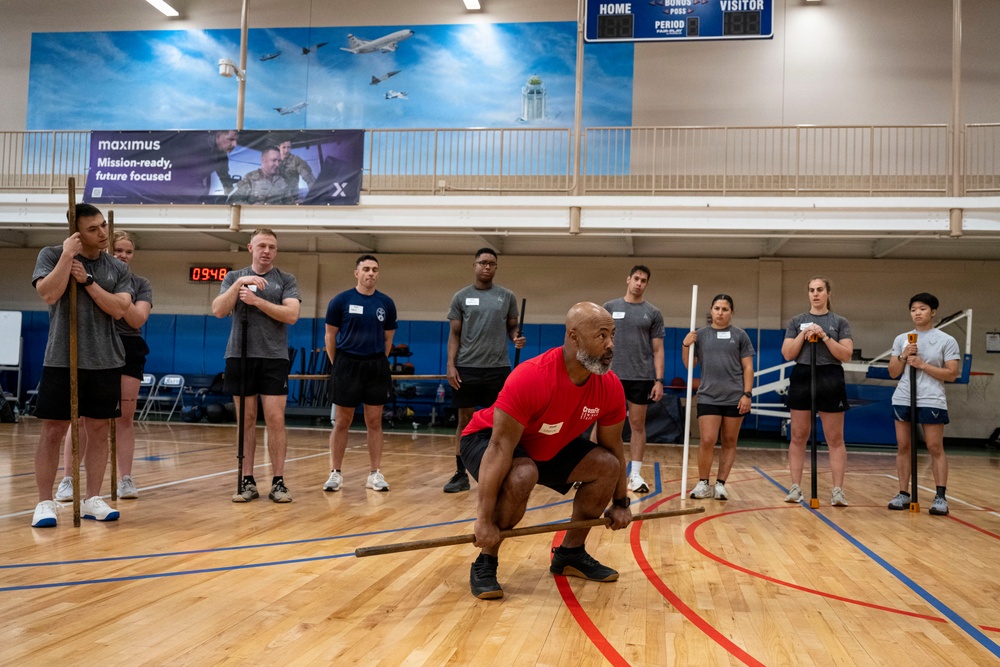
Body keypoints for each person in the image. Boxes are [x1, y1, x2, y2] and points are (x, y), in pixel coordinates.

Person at [460, 302, 632, 600]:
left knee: (606, 465)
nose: (610, 345)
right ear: (573, 336)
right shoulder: (533, 376)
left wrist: (621, 501)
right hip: (487, 439)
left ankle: (571, 554)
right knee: (522, 474)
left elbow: (613, 446)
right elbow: (500, 447)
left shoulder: (610, 386)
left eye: (612, 335)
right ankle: (486, 560)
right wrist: (483, 521)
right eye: (601, 336)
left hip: (548, 445)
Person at [30, 203, 132, 527]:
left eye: (103, 226)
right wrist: (66, 258)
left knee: (99, 430)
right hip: (62, 357)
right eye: (93, 229)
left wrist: (88, 280)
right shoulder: (50, 255)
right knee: (53, 430)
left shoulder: (116, 267)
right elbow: (49, 293)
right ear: (76, 232)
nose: (103, 233)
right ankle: (45, 502)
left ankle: (92, 498)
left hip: (105, 360)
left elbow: (119, 309)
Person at [54, 230, 153, 502]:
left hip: (127, 346)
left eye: (128, 251)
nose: (122, 255)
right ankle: (68, 479)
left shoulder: (140, 283)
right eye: (117, 250)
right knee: (83, 418)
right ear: (108, 250)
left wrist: (117, 301)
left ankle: (125, 479)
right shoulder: (84, 274)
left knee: (124, 418)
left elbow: (135, 319)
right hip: (93, 344)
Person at [212, 228, 300, 503]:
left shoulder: (285, 279)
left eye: (272, 247)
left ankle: (278, 482)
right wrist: (239, 287)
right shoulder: (234, 277)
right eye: (261, 245)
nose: (267, 251)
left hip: (273, 357)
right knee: (246, 420)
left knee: (275, 418)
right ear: (250, 248)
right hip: (240, 355)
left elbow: (291, 315)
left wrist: (257, 301)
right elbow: (218, 310)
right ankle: (247, 480)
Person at [443, 248, 525, 493]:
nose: (487, 267)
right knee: (464, 421)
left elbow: (513, 329)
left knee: (499, 423)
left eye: (492, 263)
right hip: (467, 367)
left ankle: (498, 470)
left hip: (498, 369)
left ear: (496, 267)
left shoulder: (506, 296)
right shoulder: (461, 297)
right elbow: (454, 335)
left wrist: (516, 338)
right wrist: (450, 365)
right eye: (483, 263)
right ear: (475, 265)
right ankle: (461, 474)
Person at [323, 255, 397, 492]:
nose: (371, 273)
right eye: (366, 269)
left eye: (375, 269)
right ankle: (335, 473)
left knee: (374, 421)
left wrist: (377, 361)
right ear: (357, 273)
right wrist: (339, 365)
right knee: (342, 421)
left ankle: (375, 474)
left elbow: (388, 339)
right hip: (347, 364)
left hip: (375, 366)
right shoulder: (341, 301)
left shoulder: (386, 303)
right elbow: (330, 336)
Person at [781, 276, 854, 506]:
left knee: (834, 437)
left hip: (830, 375)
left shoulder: (839, 321)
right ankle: (795, 488)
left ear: (828, 293)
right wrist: (804, 334)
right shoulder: (797, 321)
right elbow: (788, 353)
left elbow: (845, 354)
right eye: (811, 290)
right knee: (799, 435)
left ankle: (838, 491)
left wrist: (824, 336)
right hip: (803, 374)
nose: (815, 294)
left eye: (820, 290)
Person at [887, 293, 960, 516]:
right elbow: (892, 372)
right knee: (904, 446)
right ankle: (903, 493)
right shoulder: (902, 339)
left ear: (933, 312)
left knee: (934, 447)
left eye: (922, 309)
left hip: (931, 398)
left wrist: (922, 364)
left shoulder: (946, 340)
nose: (917, 313)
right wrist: (903, 357)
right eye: (913, 309)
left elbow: (952, 374)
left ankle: (940, 497)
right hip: (903, 397)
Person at [598, 265, 665, 493]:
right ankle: (594, 469)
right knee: (602, 423)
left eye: (643, 280)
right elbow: (597, 342)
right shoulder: (609, 307)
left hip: (640, 376)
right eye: (636, 278)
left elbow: (657, 349)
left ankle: (635, 474)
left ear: (647, 284)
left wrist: (659, 380)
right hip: (609, 374)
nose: (639, 283)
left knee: (637, 425)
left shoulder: (653, 313)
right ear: (628, 279)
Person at [682, 295, 755, 501]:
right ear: (711, 311)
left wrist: (747, 394)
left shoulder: (740, 335)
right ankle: (703, 483)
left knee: (729, 441)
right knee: (707, 440)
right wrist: (685, 345)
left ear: (731, 312)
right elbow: (690, 365)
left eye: (725, 309)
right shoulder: (700, 335)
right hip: (708, 396)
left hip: (734, 396)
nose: (720, 312)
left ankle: (721, 484)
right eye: (717, 308)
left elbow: (748, 367)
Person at [227, 146, 297, 205]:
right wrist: (251, 208)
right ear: (263, 160)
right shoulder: (250, 179)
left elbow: (289, 203)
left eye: (279, 161)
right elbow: (231, 201)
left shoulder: (282, 181)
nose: (277, 164)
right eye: (274, 160)